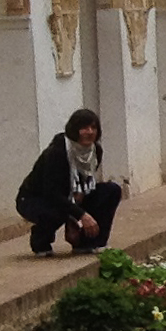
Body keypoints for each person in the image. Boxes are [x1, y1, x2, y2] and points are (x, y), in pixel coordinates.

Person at [16, 109, 121, 256]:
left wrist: (77, 208)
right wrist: (79, 215)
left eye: (93, 128)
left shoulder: (95, 151)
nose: (89, 132)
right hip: (37, 199)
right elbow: (52, 193)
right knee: (56, 211)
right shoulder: (57, 153)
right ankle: (41, 240)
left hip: (72, 195)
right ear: (74, 130)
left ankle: (91, 242)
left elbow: (85, 182)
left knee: (111, 190)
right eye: (84, 128)